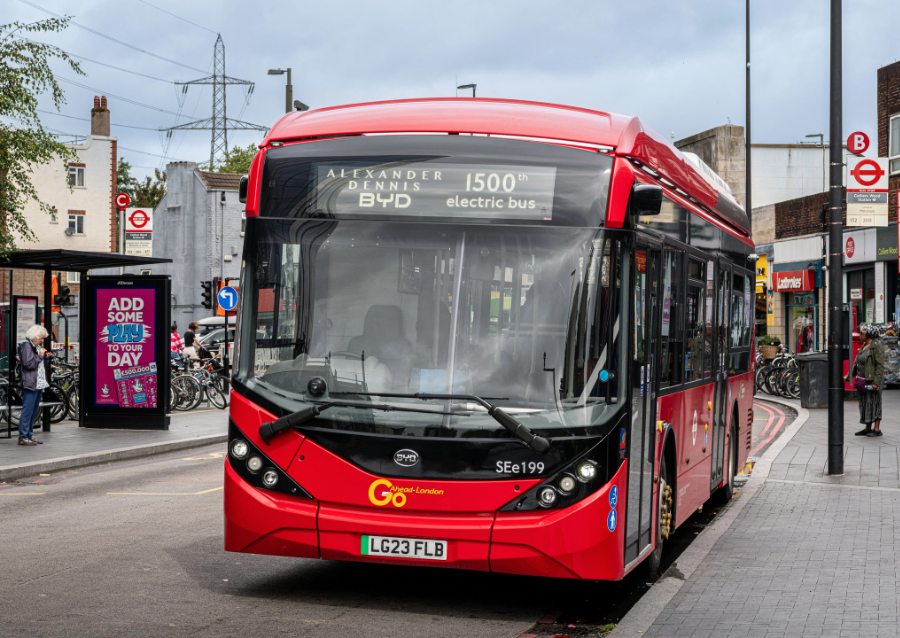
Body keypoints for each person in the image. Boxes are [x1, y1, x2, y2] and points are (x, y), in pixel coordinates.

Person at [16, 325, 52, 446]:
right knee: (28, 411)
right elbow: (28, 364)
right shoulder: (26, 346)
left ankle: (29, 435)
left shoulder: (36, 346)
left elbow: (40, 364)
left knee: (33, 411)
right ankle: (23, 437)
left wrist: (45, 358)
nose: (42, 340)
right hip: (30, 383)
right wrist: (40, 355)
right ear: (34, 336)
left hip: (39, 382)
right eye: (41, 338)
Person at [852, 325, 885, 437]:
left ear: (869, 335)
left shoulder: (876, 346)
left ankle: (876, 429)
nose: (860, 335)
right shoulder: (864, 346)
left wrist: (876, 383)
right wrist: (849, 375)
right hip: (863, 380)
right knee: (865, 404)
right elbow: (857, 363)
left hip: (873, 380)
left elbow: (880, 365)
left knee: (875, 403)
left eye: (862, 333)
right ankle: (867, 428)